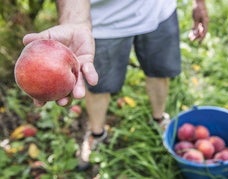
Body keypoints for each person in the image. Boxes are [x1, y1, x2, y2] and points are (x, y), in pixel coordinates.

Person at [23, 0, 208, 170]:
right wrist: (75, 21)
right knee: (98, 86)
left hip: (159, 11)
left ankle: (159, 119)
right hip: (103, 23)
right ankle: (97, 134)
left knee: (159, 73)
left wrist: (199, 2)